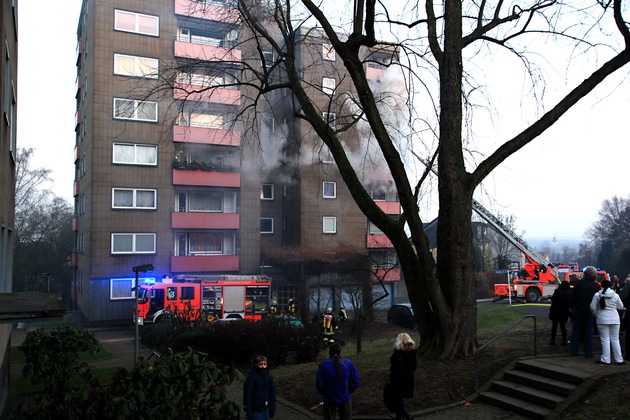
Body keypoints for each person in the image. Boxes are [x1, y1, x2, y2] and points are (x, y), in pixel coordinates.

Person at [316, 343, 359, 420]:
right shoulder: (347, 363)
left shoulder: (323, 364)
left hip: (329, 398)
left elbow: (319, 383)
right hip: (345, 397)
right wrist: (348, 391)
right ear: (340, 352)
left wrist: (323, 393)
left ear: (329, 353)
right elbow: (355, 381)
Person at [590, 280, 625, 365]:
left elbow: (592, 307)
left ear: (601, 286)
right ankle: (619, 359)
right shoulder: (615, 295)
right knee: (615, 339)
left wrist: (596, 315)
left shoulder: (597, 295)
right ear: (611, 286)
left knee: (605, 339)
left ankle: (606, 359)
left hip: (602, 319)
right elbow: (621, 307)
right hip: (615, 319)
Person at [570, 266, 601, 358]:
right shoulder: (596, 286)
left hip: (578, 310)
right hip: (590, 311)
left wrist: (572, 306)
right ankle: (588, 352)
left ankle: (574, 350)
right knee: (588, 331)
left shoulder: (578, 284)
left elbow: (572, 296)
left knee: (576, 330)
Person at [389, 333, 417, 420]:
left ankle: (408, 416)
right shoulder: (411, 352)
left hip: (398, 380)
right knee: (399, 398)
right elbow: (414, 366)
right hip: (408, 379)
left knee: (396, 399)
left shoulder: (398, 354)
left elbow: (398, 368)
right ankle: (399, 417)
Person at [243, 355, 277, 420]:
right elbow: (247, 396)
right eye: (260, 364)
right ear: (256, 364)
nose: (263, 366)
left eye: (265, 364)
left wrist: (272, 410)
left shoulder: (269, 377)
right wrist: (248, 412)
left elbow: (272, 394)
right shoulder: (251, 377)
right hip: (256, 411)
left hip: (265, 410)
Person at [548, 280, 572, 346]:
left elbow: (553, 299)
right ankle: (564, 341)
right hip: (564, 310)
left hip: (555, 310)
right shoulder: (569, 293)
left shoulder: (557, 291)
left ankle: (553, 340)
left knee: (554, 326)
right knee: (563, 326)